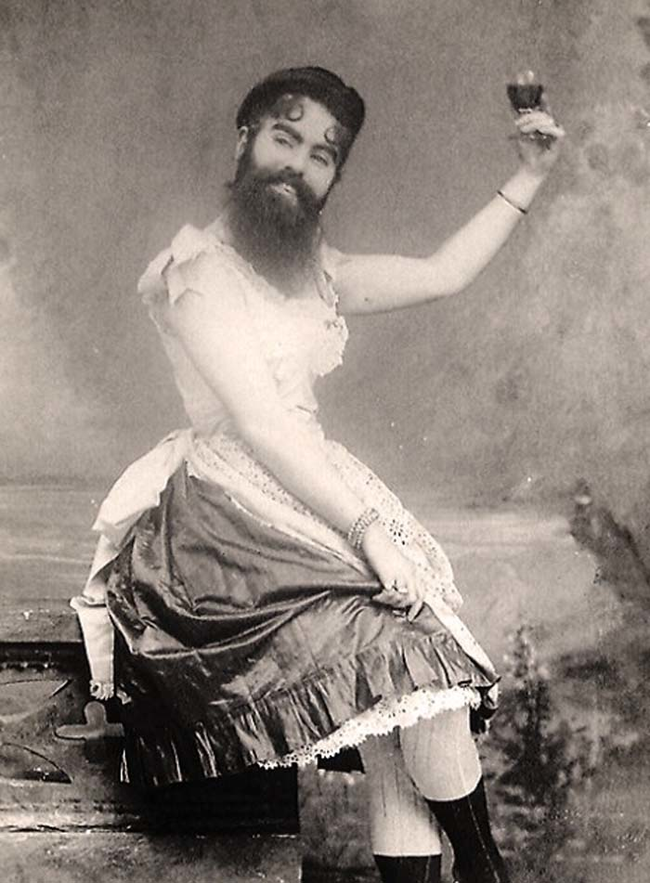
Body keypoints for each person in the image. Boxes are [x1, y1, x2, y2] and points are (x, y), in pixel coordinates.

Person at [71, 66, 564, 883]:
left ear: (334, 177)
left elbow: (443, 272)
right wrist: (370, 533)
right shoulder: (196, 271)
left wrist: (530, 174)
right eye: (285, 138)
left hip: (317, 492)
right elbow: (262, 423)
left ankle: (480, 871)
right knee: (412, 666)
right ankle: (487, 872)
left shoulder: (318, 272)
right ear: (246, 139)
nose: (298, 165)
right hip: (229, 522)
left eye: (322, 156)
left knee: (400, 710)